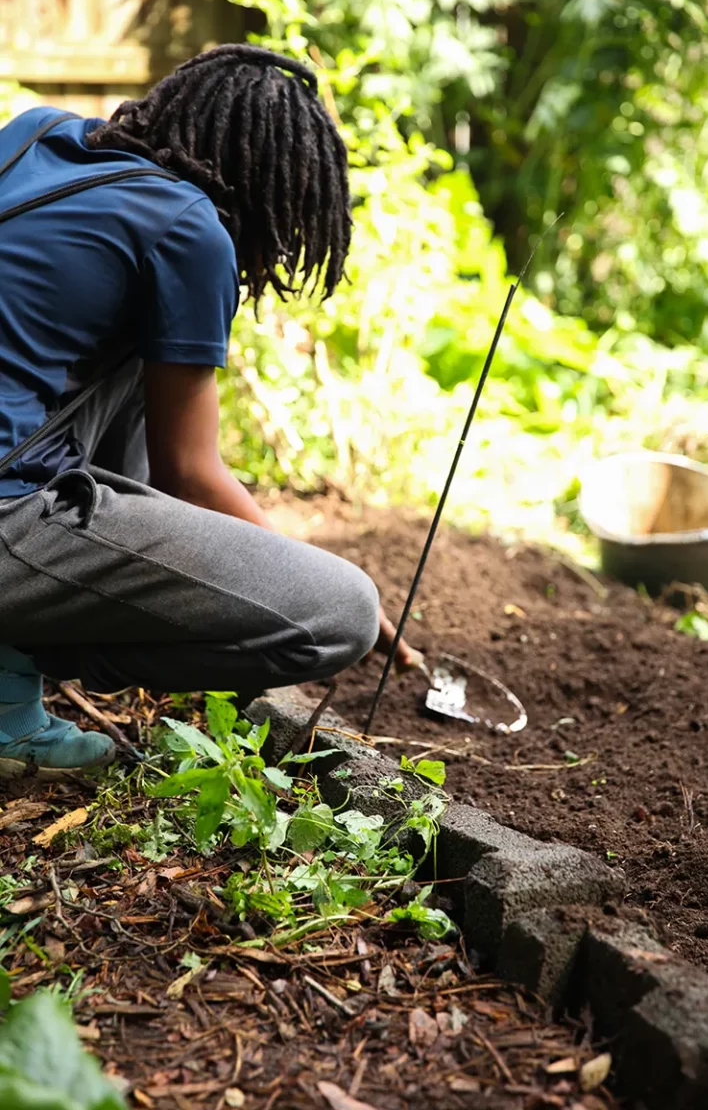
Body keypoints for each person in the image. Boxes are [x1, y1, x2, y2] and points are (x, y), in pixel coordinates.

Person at [0, 44, 417, 779]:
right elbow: (191, 475)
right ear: (269, 194)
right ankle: (11, 676)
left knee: (138, 361)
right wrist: (325, 575)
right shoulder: (188, 227)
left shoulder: (35, 136)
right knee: (340, 611)